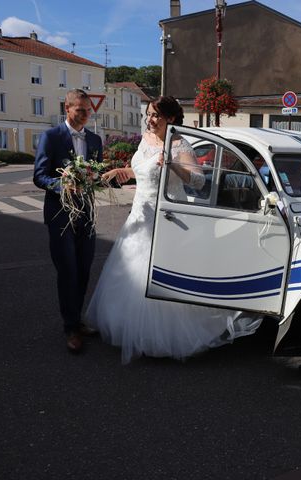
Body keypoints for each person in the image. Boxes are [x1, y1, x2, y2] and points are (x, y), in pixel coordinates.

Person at [86, 96, 261, 363]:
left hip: (164, 217)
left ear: (170, 118)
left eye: (156, 115)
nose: (150, 119)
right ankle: (130, 329)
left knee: (158, 274)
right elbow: (144, 170)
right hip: (138, 216)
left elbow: (200, 181)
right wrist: (123, 170)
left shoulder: (180, 144)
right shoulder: (145, 139)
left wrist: (173, 164)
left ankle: (162, 336)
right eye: (148, 114)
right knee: (130, 271)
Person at [33, 89, 103, 352]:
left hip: (86, 213)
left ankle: (78, 319)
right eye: (80, 110)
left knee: (84, 269)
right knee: (68, 271)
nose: (85, 115)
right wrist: (63, 185)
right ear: (67, 108)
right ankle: (71, 327)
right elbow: (39, 176)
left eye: (88, 111)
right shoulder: (51, 137)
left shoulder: (95, 140)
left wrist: (95, 178)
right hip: (60, 215)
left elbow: (98, 171)